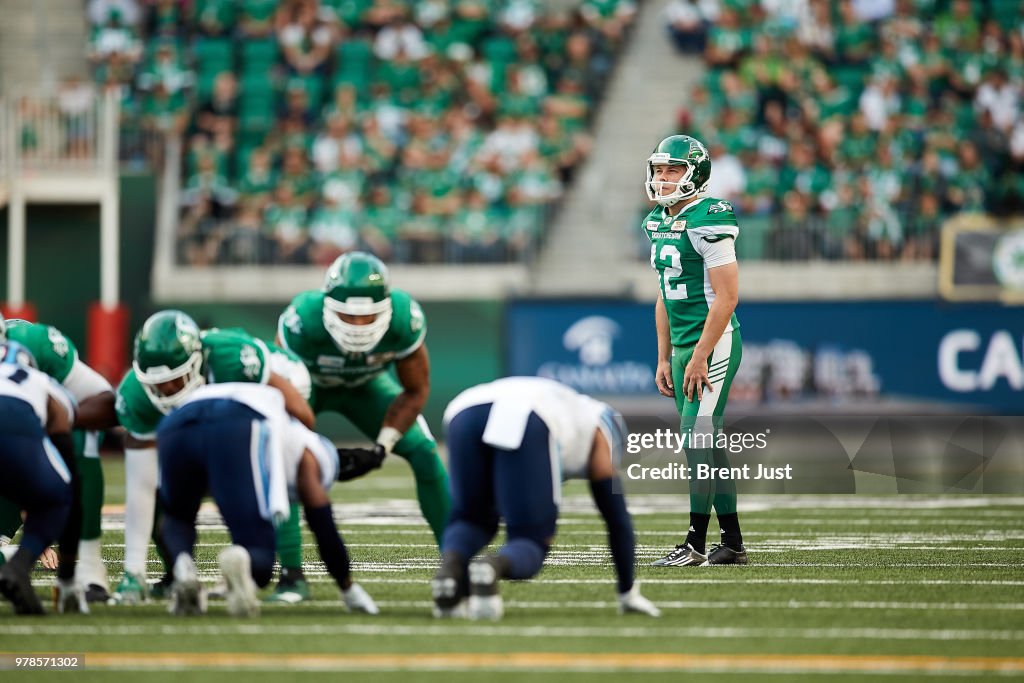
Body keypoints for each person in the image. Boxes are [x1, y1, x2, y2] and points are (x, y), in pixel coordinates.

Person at [110, 310, 315, 604]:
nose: (167, 390)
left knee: (274, 468)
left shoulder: (233, 359)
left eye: (176, 379)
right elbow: (141, 484)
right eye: (158, 384)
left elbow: (292, 402)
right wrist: (132, 572)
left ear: (198, 362)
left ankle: (292, 575)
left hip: (279, 387)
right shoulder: (136, 394)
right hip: (195, 429)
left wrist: (299, 448)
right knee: (162, 490)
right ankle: (175, 573)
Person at [431, 376, 660, 621]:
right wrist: (627, 591)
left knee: (471, 519)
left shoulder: (572, 405)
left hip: (464, 409)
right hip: (526, 416)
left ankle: (450, 572)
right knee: (531, 537)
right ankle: (491, 567)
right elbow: (616, 517)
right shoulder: (602, 425)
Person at [157, 381, 379, 617]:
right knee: (260, 556)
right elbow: (322, 522)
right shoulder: (312, 454)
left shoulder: (285, 423)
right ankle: (242, 559)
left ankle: (183, 566)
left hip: (175, 422)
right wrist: (348, 587)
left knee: (178, 515)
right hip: (236, 422)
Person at [277, 252, 451, 546]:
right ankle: (291, 572)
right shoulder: (304, 320)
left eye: (367, 316)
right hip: (309, 390)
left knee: (424, 450)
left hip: (366, 387)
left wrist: (382, 448)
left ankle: (456, 554)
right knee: (284, 457)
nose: (358, 324)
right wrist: (315, 448)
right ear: (327, 307)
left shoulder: (403, 317)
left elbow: (416, 390)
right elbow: (282, 390)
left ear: (386, 308)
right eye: (348, 315)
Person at [642, 134, 748, 567]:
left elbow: (726, 298)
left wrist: (702, 353)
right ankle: (733, 544)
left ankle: (695, 543)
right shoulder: (656, 221)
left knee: (696, 438)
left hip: (715, 342)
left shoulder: (709, 218)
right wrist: (665, 356)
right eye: (660, 170)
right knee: (708, 442)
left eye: (674, 170)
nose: (664, 179)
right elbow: (664, 296)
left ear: (696, 174)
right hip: (685, 347)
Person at [0, 315, 117, 602]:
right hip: (23, 432)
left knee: (80, 439)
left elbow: (106, 403)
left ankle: (89, 572)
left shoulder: (35, 344)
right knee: (60, 494)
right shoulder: (36, 382)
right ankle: (35, 564)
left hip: (27, 430)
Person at [0, 342, 83, 615]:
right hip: (19, 433)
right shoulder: (42, 384)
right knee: (60, 496)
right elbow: (62, 480)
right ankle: (17, 564)